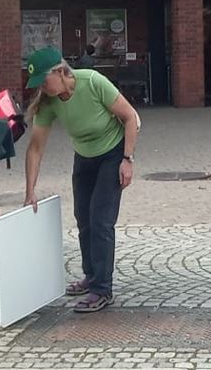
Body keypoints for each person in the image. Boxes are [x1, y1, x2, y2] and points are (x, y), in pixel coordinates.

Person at [23, 47, 140, 313]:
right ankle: (91, 275)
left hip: (112, 153)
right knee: (83, 218)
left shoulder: (92, 82)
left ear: (60, 72)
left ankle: (102, 289)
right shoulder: (49, 102)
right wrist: (30, 191)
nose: (42, 87)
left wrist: (127, 159)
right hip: (84, 156)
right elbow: (35, 148)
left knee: (101, 220)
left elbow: (130, 117)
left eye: (44, 80)